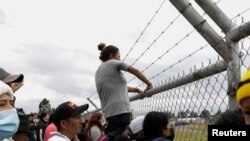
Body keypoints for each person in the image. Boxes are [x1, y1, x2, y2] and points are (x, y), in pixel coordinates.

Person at [95, 43, 153, 140]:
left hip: (109, 114)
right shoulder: (114, 63)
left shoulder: (98, 71)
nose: (120, 59)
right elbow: (135, 71)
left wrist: (136, 90)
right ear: (112, 56)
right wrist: (149, 84)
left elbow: (118, 87)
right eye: (119, 56)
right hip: (121, 111)